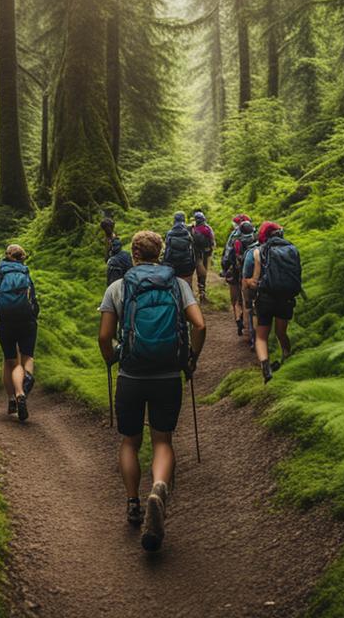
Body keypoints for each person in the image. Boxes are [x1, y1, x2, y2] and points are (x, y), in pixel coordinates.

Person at [99, 230, 206, 552]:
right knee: (163, 440)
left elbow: (105, 337)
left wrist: (112, 358)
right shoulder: (178, 285)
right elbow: (200, 326)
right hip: (168, 375)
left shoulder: (118, 287)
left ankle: (133, 503)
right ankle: (159, 487)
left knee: (130, 441)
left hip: (131, 374)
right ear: (161, 253)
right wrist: (191, 360)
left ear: (133, 254)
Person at [243, 222, 301, 384]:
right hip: (286, 298)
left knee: (261, 336)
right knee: (281, 333)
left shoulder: (258, 252)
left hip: (266, 299)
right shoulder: (292, 250)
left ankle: (266, 367)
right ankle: (287, 357)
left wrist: (247, 283)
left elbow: (255, 282)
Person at [0, 244, 39, 421]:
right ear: (22, 257)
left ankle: (12, 399)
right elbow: (33, 299)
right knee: (27, 358)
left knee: (10, 361)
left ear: (6, 256)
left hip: (5, 324)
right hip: (26, 322)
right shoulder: (25, 273)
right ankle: (22, 393)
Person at [222, 215, 250, 332]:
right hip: (249, 271)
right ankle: (250, 328)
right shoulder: (254, 234)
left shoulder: (233, 236)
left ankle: (238, 318)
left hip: (235, 270)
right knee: (247, 299)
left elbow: (227, 255)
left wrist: (224, 269)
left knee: (236, 299)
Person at [162, 211, 197, 291]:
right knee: (187, 287)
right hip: (187, 265)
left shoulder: (169, 233)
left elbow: (166, 250)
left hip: (173, 265)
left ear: (174, 220)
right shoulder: (188, 232)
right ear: (184, 220)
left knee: (174, 288)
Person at [189, 211, 216, 303]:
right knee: (203, 274)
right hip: (205, 253)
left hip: (194, 254)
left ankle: (190, 297)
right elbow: (212, 241)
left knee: (191, 274)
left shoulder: (191, 228)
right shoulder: (207, 228)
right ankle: (202, 294)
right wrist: (210, 252)